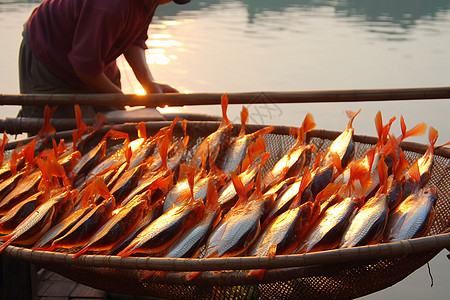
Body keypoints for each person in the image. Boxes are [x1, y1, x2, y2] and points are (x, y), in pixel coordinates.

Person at [18, 0, 191, 119]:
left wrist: (148, 83)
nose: (167, 2)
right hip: (51, 58)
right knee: (60, 140)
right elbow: (85, 68)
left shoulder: (150, 1)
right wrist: (124, 99)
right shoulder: (109, 7)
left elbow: (134, 39)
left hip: (96, 59)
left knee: (113, 133)